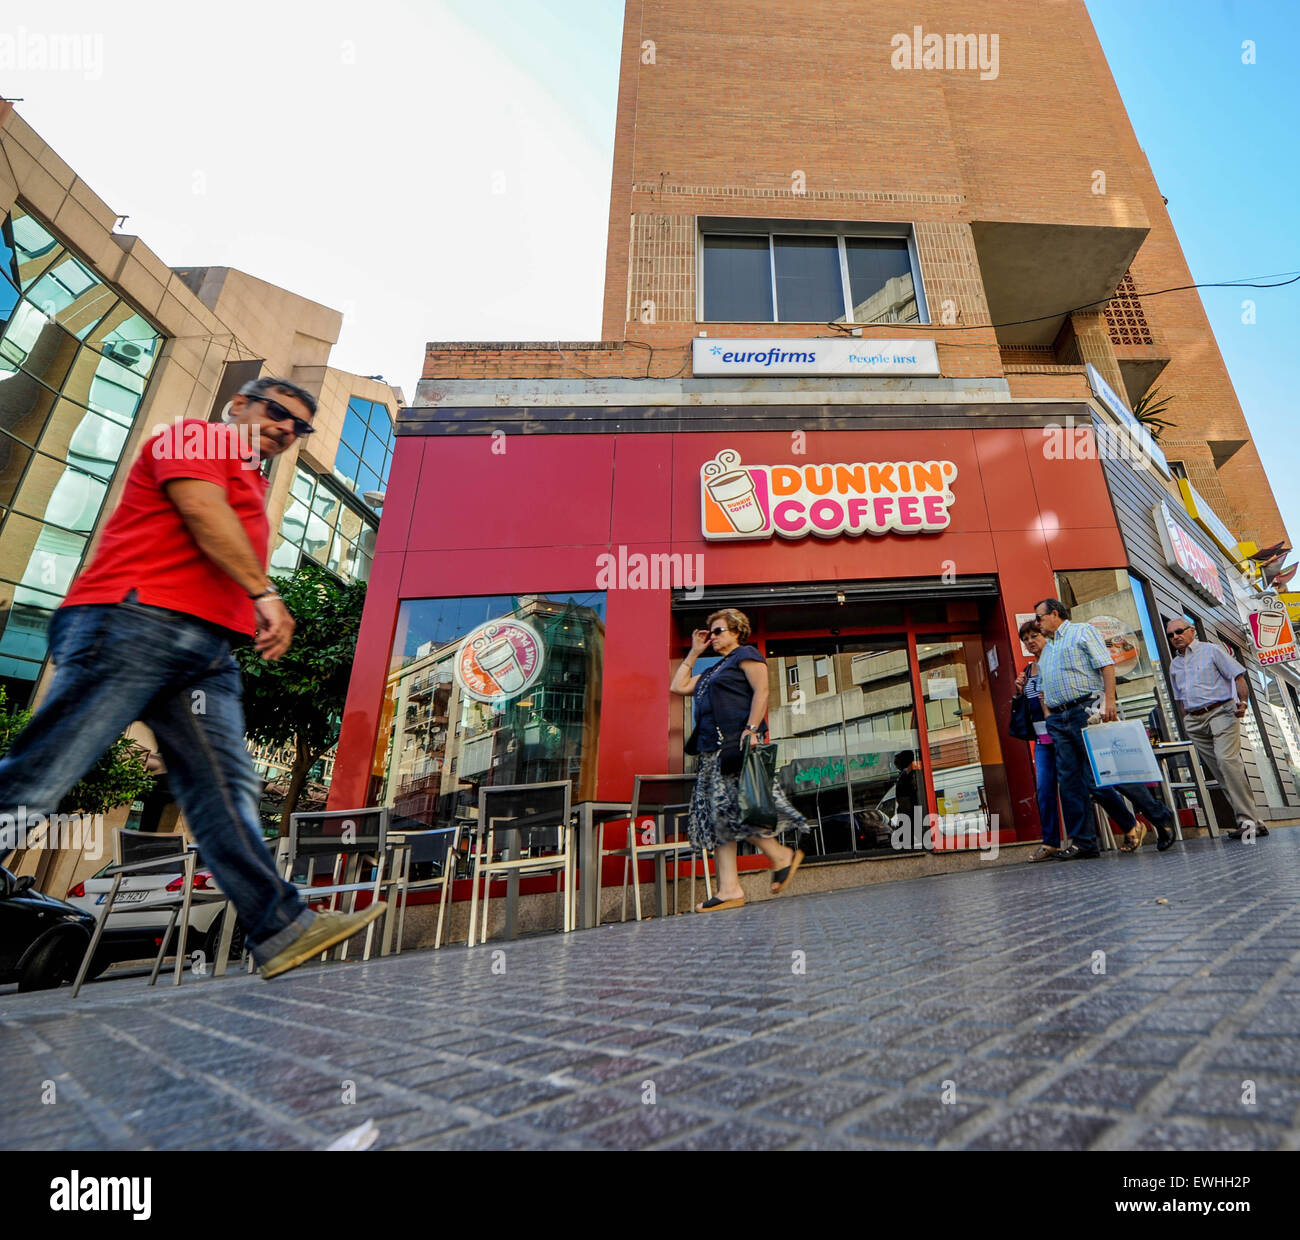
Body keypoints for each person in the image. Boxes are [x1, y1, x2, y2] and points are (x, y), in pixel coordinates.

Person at [0, 378, 384, 979]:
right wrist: (264, 592)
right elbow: (201, 512)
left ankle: (280, 929)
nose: (286, 428)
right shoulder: (195, 436)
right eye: (278, 412)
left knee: (224, 793)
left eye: (300, 426)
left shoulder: (254, 481)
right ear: (240, 404)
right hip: (131, 620)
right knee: (47, 770)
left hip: (205, 651)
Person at [671, 608, 807, 910]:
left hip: (732, 746)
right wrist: (694, 652)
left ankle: (779, 855)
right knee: (720, 816)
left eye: (718, 631)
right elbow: (677, 687)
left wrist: (751, 729)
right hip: (710, 752)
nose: (713, 637)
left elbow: (762, 690)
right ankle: (730, 888)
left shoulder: (745, 654)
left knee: (731, 811)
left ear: (737, 631)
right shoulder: (710, 672)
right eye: (711, 632)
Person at [1033, 598, 1177, 858]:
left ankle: (1159, 814)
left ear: (1055, 614)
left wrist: (1109, 701)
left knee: (1109, 772)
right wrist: (1049, 715)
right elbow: (1043, 687)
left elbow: (1106, 665)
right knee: (1070, 781)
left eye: (1039, 617)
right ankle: (1084, 843)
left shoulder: (1082, 631)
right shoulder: (1048, 649)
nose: (1037, 623)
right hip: (1058, 719)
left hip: (1085, 712)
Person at [1016, 617, 1154, 859]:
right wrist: (1021, 690)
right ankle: (1051, 842)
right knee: (1045, 791)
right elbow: (1030, 704)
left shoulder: (1056, 659)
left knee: (1093, 784)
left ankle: (1132, 823)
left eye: (1034, 637)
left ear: (1045, 637)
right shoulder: (1028, 670)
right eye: (1026, 640)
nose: (1030, 642)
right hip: (1042, 739)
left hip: (1064, 731)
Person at [1165, 617, 1267, 839]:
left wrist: (1243, 702)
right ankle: (1254, 822)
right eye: (1171, 634)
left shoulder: (1212, 650)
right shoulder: (1175, 664)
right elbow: (1179, 697)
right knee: (1220, 772)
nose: (1175, 637)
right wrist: (1186, 720)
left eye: (1179, 631)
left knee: (1227, 763)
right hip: (1195, 719)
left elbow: (1237, 676)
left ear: (1192, 631)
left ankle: (1248, 822)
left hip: (1221, 711)